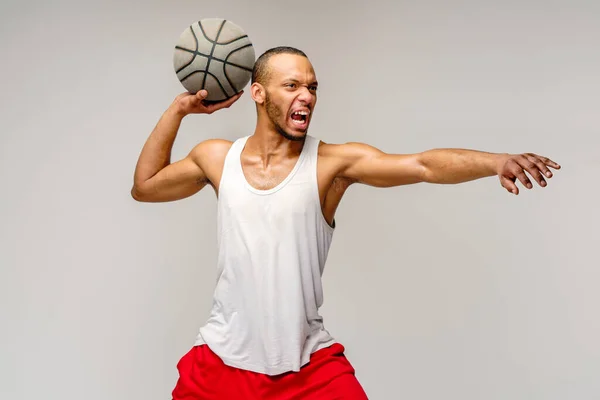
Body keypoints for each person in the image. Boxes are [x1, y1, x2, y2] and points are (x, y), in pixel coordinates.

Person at [131, 46, 560, 399]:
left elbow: (424, 165)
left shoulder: (331, 164)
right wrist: (179, 110)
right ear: (258, 94)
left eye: (313, 87)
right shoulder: (215, 157)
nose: (308, 96)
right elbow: (145, 186)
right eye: (293, 85)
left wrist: (497, 162)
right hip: (221, 363)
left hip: (309, 369)